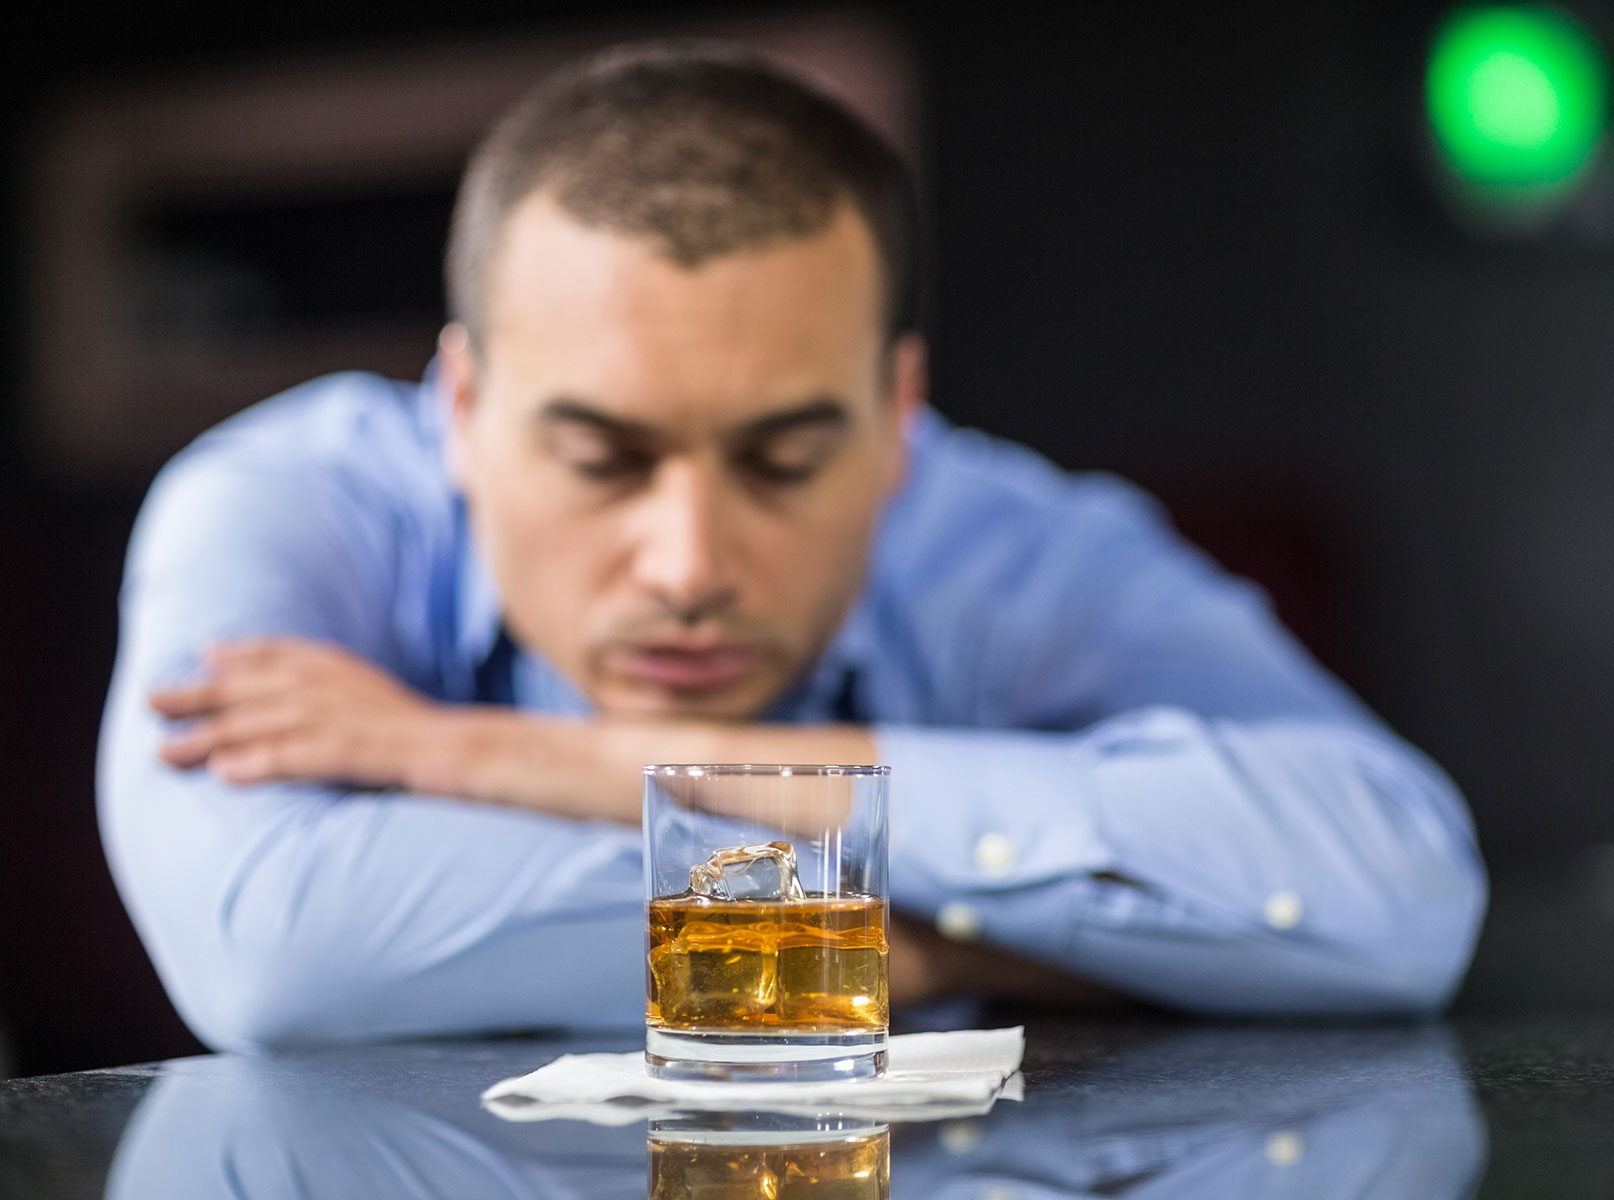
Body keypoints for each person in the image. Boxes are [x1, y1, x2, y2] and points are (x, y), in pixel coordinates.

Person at [97, 42, 1485, 1052]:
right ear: (459, 410)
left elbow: (1396, 890)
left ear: (896, 418)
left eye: (783, 461)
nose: (689, 563)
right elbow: (281, 951)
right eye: (602, 459)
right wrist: (925, 947)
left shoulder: (999, 538)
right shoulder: (284, 505)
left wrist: (540, 762)